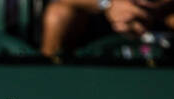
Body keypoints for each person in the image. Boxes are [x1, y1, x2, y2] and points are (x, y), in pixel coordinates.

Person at [41, 0, 174, 54]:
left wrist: (154, 8)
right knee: (58, 14)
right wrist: (107, 4)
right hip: (99, 14)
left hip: (160, 12)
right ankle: (47, 84)